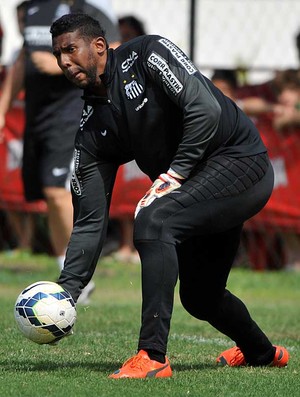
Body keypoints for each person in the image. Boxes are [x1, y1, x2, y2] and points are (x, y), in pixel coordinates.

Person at [50, 13, 289, 378]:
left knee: (154, 217)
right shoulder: (92, 125)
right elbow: (89, 219)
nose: (64, 62)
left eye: (70, 50)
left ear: (99, 46)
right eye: (58, 56)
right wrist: (64, 293)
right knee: (201, 297)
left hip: (242, 164)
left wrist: (174, 174)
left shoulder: (147, 53)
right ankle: (263, 353)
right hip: (198, 186)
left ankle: (152, 357)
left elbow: (205, 109)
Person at [0, 0, 120, 303]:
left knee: (56, 191)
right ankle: (66, 272)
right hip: (36, 117)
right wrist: (2, 108)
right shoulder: (32, 9)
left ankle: (77, 276)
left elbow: (114, 48)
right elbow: (22, 61)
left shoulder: (88, 9)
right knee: (46, 193)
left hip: (72, 114)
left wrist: (59, 65)